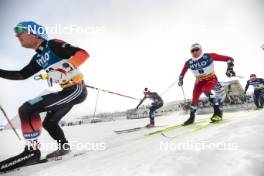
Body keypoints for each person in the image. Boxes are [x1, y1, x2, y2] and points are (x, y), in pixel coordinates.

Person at [0, 21, 89, 170]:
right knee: (49, 123)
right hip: (66, 91)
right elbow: (21, 75)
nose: (17, 34)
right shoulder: (38, 58)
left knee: (27, 108)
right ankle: (64, 147)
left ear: (36, 32)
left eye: (20, 30)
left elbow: (83, 54)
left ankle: (32, 152)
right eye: (16, 31)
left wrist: (62, 70)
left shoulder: (52, 44)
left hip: (76, 89)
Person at [178, 43, 235, 125]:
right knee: (194, 99)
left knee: (206, 89)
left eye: (197, 50)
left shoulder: (209, 56)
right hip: (199, 82)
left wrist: (230, 68)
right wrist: (181, 79)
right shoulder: (188, 62)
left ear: (201, 50)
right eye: (192, 51)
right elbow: (182, 73)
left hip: (211, 79)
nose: (195, 52)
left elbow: (229, 59)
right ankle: (191, 118)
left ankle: (218, 112)